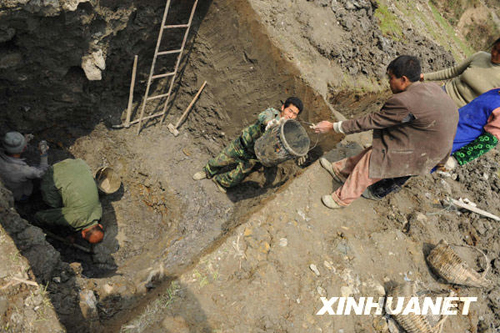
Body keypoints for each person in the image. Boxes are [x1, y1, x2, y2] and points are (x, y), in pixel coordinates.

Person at [313, 55, 458, 209]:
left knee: (375, 160)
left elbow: (371, 121)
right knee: (379, 146)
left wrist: (333, 127)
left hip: (425, 151)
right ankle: (341, 171)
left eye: (391, 78)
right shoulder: (431, 88)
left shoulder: (404, 101)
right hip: (430, 141)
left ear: (403, 80)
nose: (389, 82)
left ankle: (342, 199)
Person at [364, 88, 500, 200]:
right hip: (445, 128)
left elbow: (489, 141)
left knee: (415, 164)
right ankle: (373, 172)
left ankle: (378, 190)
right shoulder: (495, 91)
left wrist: (458, 159)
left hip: (454, 140)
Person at [192, 97, 304, 193]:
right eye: (290, 111)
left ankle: (220, 181)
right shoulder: (271, 113)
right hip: (242, 144)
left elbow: (287, 146)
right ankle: (207, 172)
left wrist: (297, 152)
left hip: (254, 157)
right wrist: (270, 123)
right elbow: (263, 117)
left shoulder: (287, 131)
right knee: (220, 160)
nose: (291, 116)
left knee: (236, 177)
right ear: (283, 107)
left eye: (295, 114)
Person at [35, 158, 104, 244]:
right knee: (53, 204)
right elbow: (41, 216)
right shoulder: (74, 218)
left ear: (100, 225)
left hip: (77, 164)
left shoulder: (98, 212)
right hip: (55, 171)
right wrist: (37, 224)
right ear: (82, 234)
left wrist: (73, 234)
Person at [421, 37, 500, 108]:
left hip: (459, 112)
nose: (494, 53)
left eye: (499, 52)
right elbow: (453, 71)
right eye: (494, 48)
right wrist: (424, 76)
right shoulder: (480, 56)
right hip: (444, 92)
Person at [0, 131, 49, 201]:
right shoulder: (23, 170)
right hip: (18, 195)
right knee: (40, 178)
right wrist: (43, 154)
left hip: (6, 186)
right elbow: (43, 172)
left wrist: (24, 141)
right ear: (24, 148)